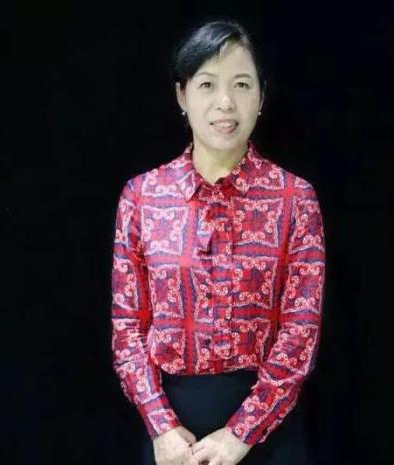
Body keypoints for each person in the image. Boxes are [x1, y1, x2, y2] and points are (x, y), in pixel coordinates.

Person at [110, 19, 326, 465]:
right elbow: (128, 327)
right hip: (172, 438)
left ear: (261, 97)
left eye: (241, 85)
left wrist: (240, 435)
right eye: (207, 84)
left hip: (268, 434)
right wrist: (161, 425)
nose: (225, 102)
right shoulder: (143, 196)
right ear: (182, 96)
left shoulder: (294, 198)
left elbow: (300, 331)